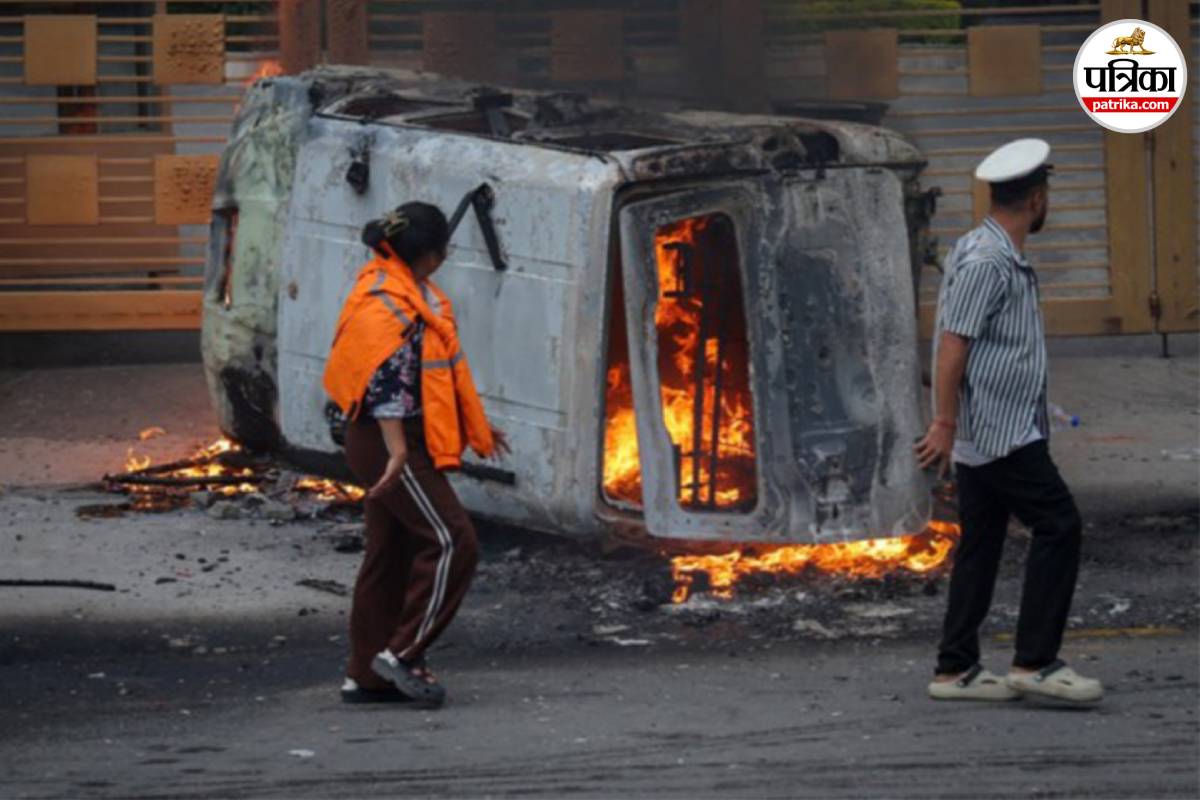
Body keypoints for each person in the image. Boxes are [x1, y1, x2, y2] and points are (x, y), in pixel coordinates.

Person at [914, 139, 1103, 705]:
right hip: (998, 433)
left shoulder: (984, 247)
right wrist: (944, 422)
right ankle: (1036, 661)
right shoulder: (990, 260)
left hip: (996, 428)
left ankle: (956, 669)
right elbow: (952, 345)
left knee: (983, 543)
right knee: (1059, 526)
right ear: (1038, 199)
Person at [323, 201, 510, 707]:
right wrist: (400, 454)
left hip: (383, 438)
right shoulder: (399, 304)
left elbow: (426, 375)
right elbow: (386, 384)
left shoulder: (390, 285)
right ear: (431, 255)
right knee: (454, 540)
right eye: (444, 250)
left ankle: (366, 675)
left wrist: (476, 425)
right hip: (389, 441)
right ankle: (401, 655)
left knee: (390, 553)